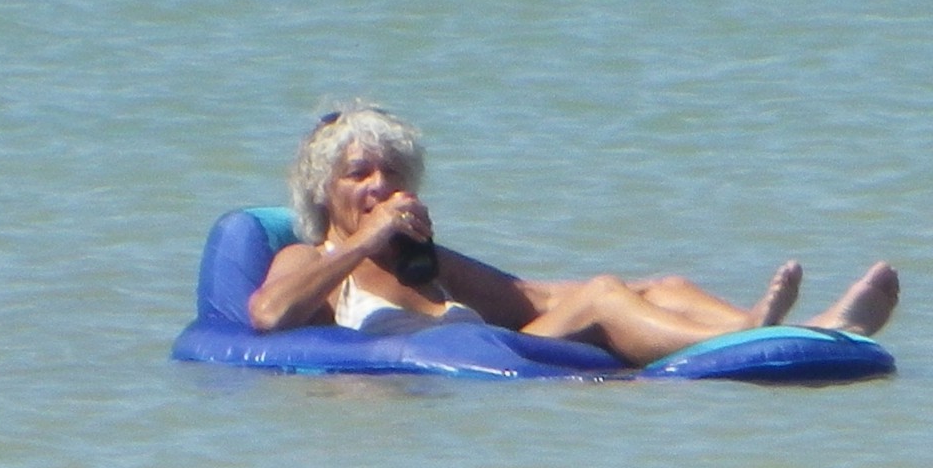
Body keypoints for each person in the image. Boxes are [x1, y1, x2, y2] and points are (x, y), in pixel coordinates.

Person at [248, 103, 899, 366]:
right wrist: (365, 243)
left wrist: (645, 289)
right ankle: (751, 334)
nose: (380, 186)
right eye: (360, 174)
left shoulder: (424, 259)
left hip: (496, 341)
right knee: (604, 295)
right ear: (323, 191)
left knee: (660, 284)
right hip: (463, 359)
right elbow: (269, 315)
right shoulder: (309, 256)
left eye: (392, 173)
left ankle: (804, 328)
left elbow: (528, 298)